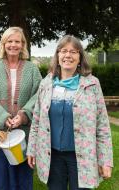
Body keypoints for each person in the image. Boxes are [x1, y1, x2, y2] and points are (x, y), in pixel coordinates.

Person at [27, 35, 113, 190]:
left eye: (73, 52)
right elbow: (37, 120)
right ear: (58, 56)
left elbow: (103, 126)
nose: (68, 55)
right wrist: (31, 149)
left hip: (82, 158)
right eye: (64, 51)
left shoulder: (92, 84)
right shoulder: (46, 83)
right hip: (52, 157)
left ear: (80, 57)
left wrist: (105, 160)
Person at [0, 26, 42, 190]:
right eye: (10, 41)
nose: (13, 45)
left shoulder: (32, 69)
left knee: (23, 176)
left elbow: (40, 96)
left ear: (23, 45)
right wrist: (2, 117)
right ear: (3, 44)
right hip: (3, 134)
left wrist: (23, 115)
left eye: (17, 41)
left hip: (25, 134)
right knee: (3, 177)